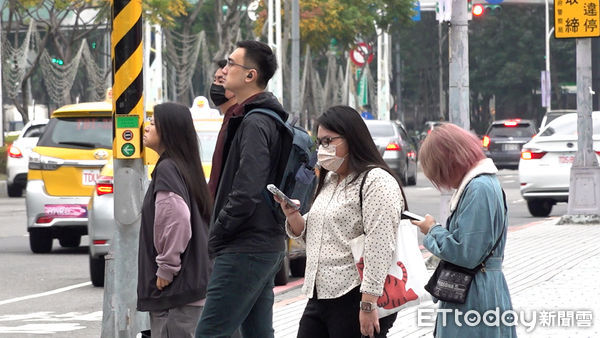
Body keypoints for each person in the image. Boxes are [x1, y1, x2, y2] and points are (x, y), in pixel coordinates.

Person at [277, 105, 406, 338]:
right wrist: (293, 215)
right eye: (320, 142)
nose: (322, 149)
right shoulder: (331, 180)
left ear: (352, 138)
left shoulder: (376, 181)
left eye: (328, 141)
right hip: (319, 295)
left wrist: (368, 304)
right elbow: (317, 236)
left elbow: (380, 245)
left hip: (354, 295)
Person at [195, 40, 287, 338]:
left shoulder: (255, 122)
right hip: (262, 242)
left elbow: (247, 189)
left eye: (231, 63)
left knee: (210, 332)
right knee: (258, 333)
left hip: (245, 245)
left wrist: (219, 230)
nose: (224, 69)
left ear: (250, 75)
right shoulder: (260, 118)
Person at [411, 123, 516, 337]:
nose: (443, 181)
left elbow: (466, 252)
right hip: (480, 286)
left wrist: (432, 230)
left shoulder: (479, 188)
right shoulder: (482, 185)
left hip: (475, 293)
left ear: (450, 161)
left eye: (440, 172)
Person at [137, 102, 213, 337]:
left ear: (168, 130)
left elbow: (176, 219)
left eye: (152, 123)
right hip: (192, 287)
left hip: (176, 293)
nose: (146, 128)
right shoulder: (185, 166)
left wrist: (166, 268)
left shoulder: (168, 169)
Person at [208, 59, 239, 199]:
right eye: (214, 80)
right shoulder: (229, 119)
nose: (215, 86)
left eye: (221, 81)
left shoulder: (238, 121)